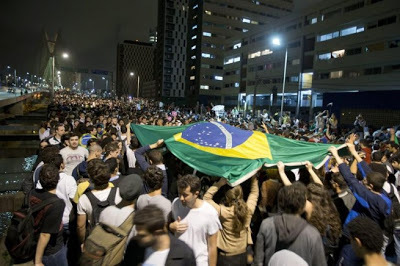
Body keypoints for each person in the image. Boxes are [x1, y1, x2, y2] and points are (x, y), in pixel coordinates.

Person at [254, 182, 326, 266]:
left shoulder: (266, 225)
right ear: (303, 207)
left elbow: (258, 261)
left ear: (281, 203)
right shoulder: (312, 234)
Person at [203, 176, 259, 265]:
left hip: (226, 259)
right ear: (241, 195)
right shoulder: (247, 211)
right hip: (242, 257)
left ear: (227, 197)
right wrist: (253, 176)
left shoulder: (223, 212)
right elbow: (254, 193)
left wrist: (220, 183)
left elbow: (206, 199)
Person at [170, 174, 221, 266]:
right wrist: (171, 226)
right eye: (179, 194)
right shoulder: (175, 204)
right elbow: (168, 224)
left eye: (185, 195)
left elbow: (212, 247)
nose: (181, 198)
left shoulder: (210, 213)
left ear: (196, 194)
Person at [123, 205, 196, 265]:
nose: (138, 238)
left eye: (143, 236)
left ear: (157, 232)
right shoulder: (134, 245)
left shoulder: (184, 254)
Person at [76, 159, 122, 244]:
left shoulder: (84, 199)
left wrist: (82, 242)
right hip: (114, 238)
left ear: (90, 177)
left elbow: (80, 226)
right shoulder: (118, 192)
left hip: (94, 240)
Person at [31, 164, 67, 266]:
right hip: (52, 251)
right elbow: (45, 234)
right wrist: (38, 261)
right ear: (58, 179)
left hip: (33, 241)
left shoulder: (32, 193)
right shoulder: (57, 203)